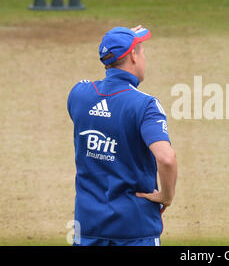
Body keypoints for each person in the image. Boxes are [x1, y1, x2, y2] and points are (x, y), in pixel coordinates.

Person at [67, 25, 178, 246]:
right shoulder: (145, 105)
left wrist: (119, 40)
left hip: (88, 227)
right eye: (142, 51)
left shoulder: (78, 94)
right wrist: (166, 196)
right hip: (135, 228)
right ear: (133, 57)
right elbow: (166, 158)